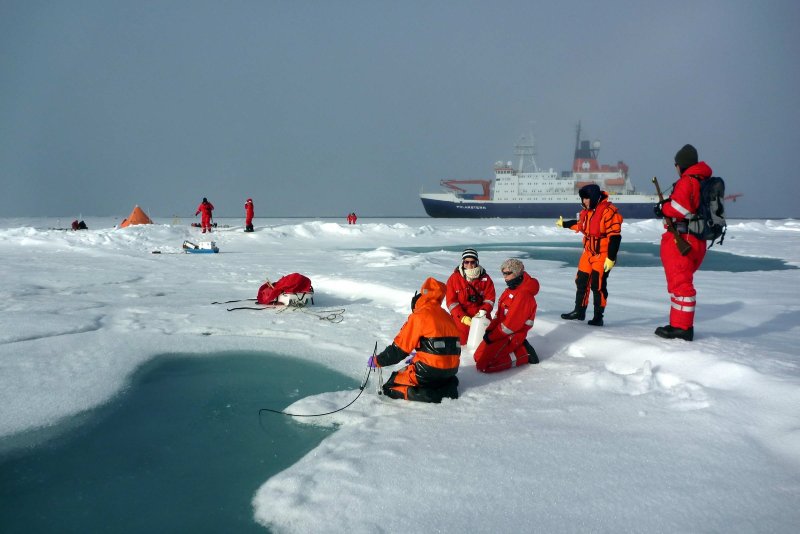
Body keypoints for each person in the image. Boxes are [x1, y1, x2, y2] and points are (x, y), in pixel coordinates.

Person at [653, 144, 713, 341]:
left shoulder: (687, 182)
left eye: (676, 164)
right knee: (681, 283)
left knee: (681, 284)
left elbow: (680, 208)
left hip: (683, 241)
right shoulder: (703, 181)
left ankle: (682, 328)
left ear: (681, 165)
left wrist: (663, 208)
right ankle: (678, 324)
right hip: (696, 240)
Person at [367, 277, 461, 403]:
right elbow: (443, 344)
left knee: (390, 384)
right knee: (438, 378)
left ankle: (430, 395)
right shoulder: (447, 316)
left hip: (428, 371)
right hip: (451, 370)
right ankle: (447, 387)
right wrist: (420, 355)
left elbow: (399, 350)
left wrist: (378, 360)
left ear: (417, 303)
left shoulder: (419, 316)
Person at [556, 183, 623, 326]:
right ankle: (579, 311)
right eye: (583, 199)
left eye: (587, 198)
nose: (584, 201)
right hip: (588, 253)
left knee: (597, 285)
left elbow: (615, 237)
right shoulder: (587, 213)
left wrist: (611, 258)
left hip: (602, 254)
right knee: (581, 281)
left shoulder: (608, 212)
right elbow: (579, 225)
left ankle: (598, 317)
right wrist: (564, 224)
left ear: (593, 197)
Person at [473, 259, 539, 373]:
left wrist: (492, 337)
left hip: (514, 334)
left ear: (517, 272)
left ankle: (524, 354)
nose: (505, 277)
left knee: (484, 366)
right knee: (477, 356)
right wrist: (490, 330)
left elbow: (510, 326)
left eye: (508, 273)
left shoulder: (523, 295)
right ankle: (514, 348)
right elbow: (499, 315)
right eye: (503, 273)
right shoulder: (510, 291)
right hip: (501, 333)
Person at [445, 248, 496, 345]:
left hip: (481, 316)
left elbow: (490, 299)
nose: (469, 265)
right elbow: (451, 302)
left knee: (485, 343)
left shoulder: (485, 278)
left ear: (477, 262)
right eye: (466, 262)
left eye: (472, 262)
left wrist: (483, 311)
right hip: (461, 317)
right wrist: (463, 318)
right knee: (461, 344)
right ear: (462, 262)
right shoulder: (454, 278)